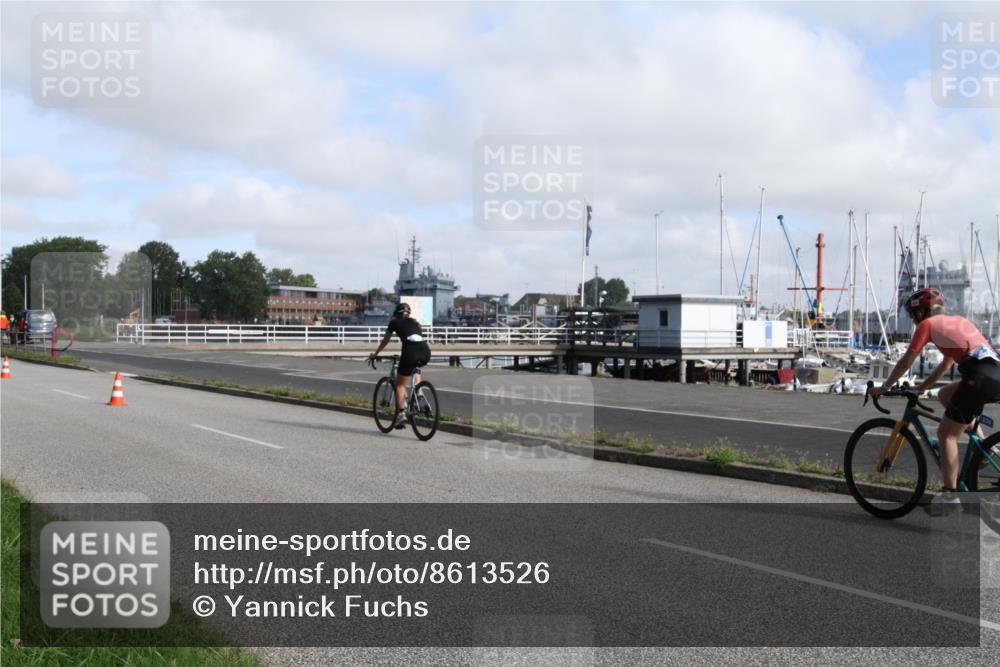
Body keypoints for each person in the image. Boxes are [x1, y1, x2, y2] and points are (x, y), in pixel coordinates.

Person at [871, 287, 1000, 509]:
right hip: (995, 374)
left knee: (946, 435)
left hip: (977, 378)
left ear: (921, 312)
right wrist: (924, 386)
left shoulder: (927, 325)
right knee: (945, 394)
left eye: (913, 315)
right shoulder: (958, 321)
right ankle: (984, 452)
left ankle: (950, 496)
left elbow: (906, 361)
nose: (913, 320)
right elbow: (947, 363)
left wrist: (885, 387)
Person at [369, 302, 431, 429]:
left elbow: (385, 340)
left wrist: (376, 354)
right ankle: (419, 391)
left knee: (400, 385)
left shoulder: (394, 322)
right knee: (416, 367)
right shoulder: (415, 323)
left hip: (410, 351)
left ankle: (401, 413)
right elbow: (412, 340)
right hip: (425, 351)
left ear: (396, 313)